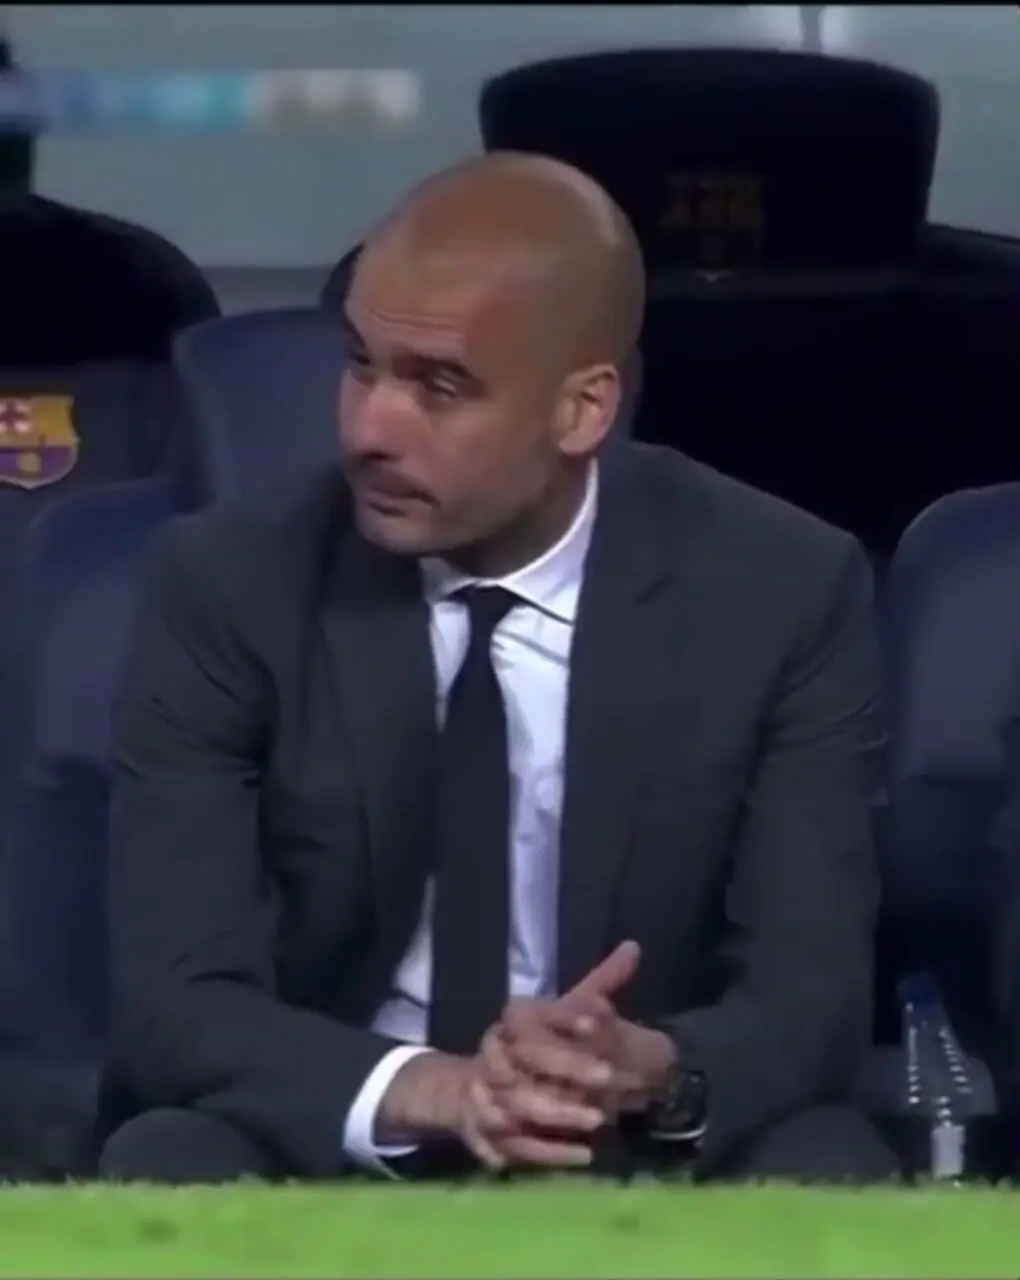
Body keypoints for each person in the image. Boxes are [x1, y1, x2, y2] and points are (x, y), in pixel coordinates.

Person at [100, 152, 897, 1184]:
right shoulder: (227, 584)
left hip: (624, 1137)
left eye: (441, 386)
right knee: (167, 1157)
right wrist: (435, 1087)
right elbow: (177, 997)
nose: (369, 430)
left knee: (828, 1161)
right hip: (343, 1130)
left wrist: (652, 1068)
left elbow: (809, 994)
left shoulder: (782, 590)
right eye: (361, 365)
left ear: (582, 410)